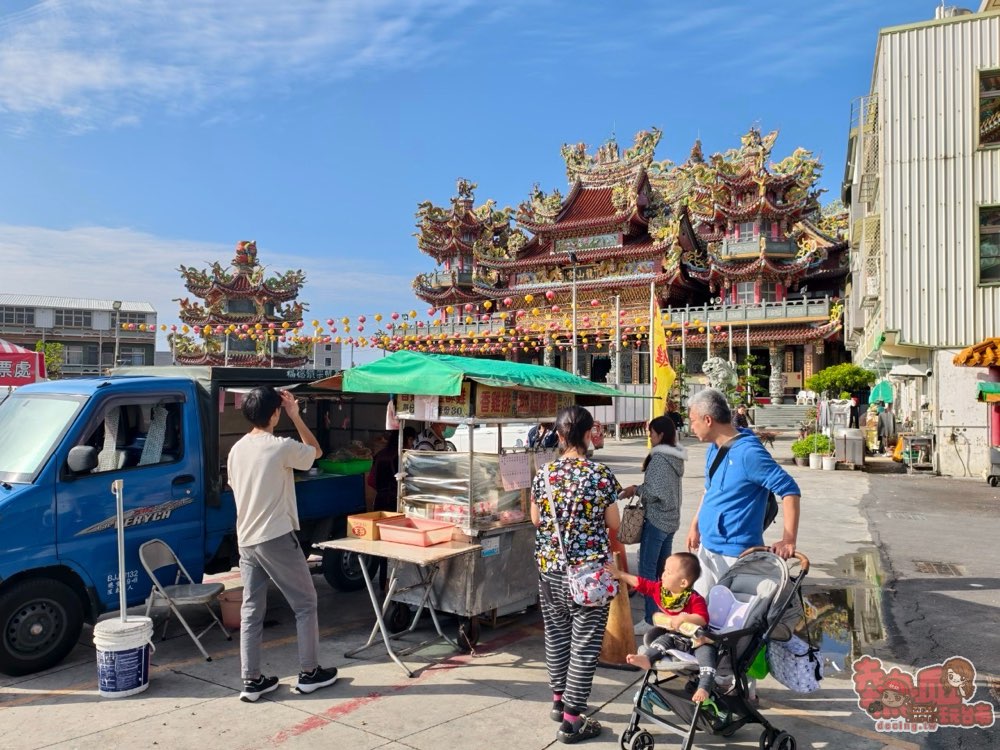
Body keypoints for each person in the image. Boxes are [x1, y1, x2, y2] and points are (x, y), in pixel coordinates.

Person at [227, 387, 339, 702]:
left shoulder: (237, 449)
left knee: (252, 610)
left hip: (246, 539)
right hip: (275, 536)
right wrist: (297, 416)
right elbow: (315, 451)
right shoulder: (279, 447)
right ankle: (309, 673)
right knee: (305, 604)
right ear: (275, 413)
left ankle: (251, 680)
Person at [530, 405, 621, 745]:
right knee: (584, 645)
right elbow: (613, 523)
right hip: (589, 576)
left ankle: (558, 701)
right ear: (587, 434)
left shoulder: (545, 474)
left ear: (559, 434)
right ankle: (572, 721)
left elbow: (537, 520)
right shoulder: (600, 475)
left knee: (556, 635)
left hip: (551, 570)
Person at [684, 388, 801, 599]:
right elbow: (709, 491)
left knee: (727, 615)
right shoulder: (714, 447)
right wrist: (695, 525)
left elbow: (790, 490)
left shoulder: (749, 453)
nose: (691, 427)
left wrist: (788, 540)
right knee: (702, 609)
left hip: (735, 551)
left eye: (693, 421)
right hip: (708, 545)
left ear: (708, 420)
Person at [606, 552, 717, 703]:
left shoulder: (694, 599)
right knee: (661, 640)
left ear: (683, 583)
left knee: (708, 654)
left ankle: (704, 686)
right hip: (675, 636)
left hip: (698, 639)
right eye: (664, 570)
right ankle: (646, 658)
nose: (663, 575)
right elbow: (641, 583)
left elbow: (703, 619)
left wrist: (684, 617)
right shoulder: (661, 590)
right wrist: (620, 574)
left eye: (668, 572)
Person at [619, 416, 686, 633]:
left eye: (652, 433)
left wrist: (636, 490)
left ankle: (650, 619)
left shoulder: (659, 459)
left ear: (661, 434)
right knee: (663, 571)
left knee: (647, 570)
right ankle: (665, 613)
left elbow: (655, 492)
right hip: (671, 520)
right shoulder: (675, 458)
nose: (650, 437)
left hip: (657, 520)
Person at [370, 426, 418, 592]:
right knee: (397, 546)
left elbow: (371, 481)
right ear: (406, 439)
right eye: (411, 440)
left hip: (380, 502)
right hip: (395, 503)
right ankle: (394, 585)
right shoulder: (403, 457)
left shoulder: (380, 455)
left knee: (384, 546)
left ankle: (384, 583)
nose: (412, 444)